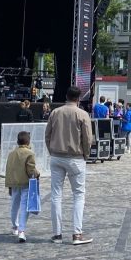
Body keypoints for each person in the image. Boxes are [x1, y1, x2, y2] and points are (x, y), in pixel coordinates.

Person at [45, 86, 94, 245]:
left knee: (56, 195)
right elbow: (87, 138)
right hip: (75, 158)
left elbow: (48, 135)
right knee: (79, 195)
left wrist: (51, 150)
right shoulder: (82, 114)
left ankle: (57, 234)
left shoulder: (55, 112)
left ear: (66, 96)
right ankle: (77, 234)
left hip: (56, 156)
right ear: (79, 99)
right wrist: (85, 155)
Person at [5, 130, 40, 242]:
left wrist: (9, 185)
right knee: (24, 206)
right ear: (28, 142)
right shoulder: (30, 153)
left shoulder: (11, 154)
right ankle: (21, 230)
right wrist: (37, 174)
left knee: (14, 205)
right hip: (25, 183)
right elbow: (31, 170)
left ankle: (15, 226)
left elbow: (9, 170)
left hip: (14, 183)